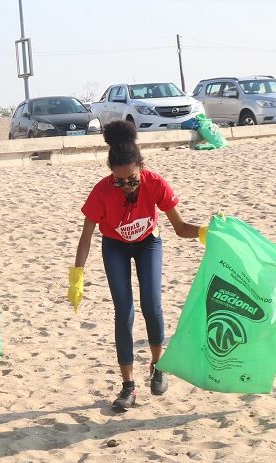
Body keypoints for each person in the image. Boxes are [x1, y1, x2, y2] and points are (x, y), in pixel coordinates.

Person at [68, 120, 207, 412]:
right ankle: (128, 386)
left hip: (148, 244)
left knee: (152, 304)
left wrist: (207, 231)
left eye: (131, 179)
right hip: (115, 246)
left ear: (141, 168)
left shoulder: (155, 184)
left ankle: (158, 366)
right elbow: (85, 237)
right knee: (124, 311)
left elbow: (180, 228)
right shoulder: (102, 191)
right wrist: (76, 275)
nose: (125, 186)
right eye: (118, 181)